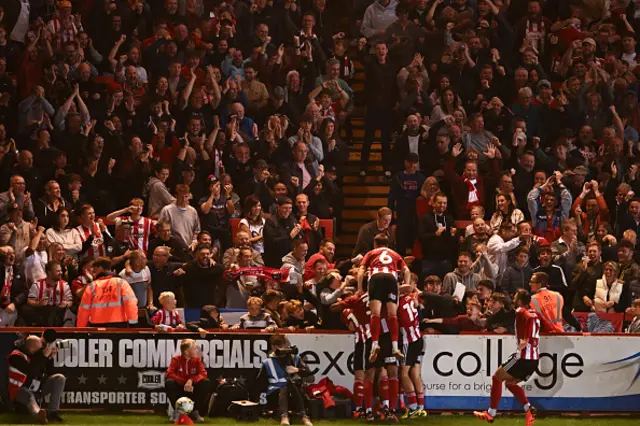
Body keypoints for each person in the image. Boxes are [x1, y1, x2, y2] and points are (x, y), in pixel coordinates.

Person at [473, 289, 553, 425]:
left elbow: (528, 317)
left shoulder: (522, 311)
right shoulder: (537, 314)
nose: (513, 298)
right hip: (533, 360)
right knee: (510, 383)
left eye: (515, 296)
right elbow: (548, 327)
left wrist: (526, 338)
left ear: (520, 300)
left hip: (522, 357)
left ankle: (491, 413)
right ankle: (529, 410)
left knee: (497, 377)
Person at [357, 233, 410, 362]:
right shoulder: (395, 254)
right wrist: (406, 285)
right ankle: (395, 347)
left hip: (376, 276)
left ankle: (375, 344)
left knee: (375, 313)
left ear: (375, 243)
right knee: (392, 314)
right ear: (388, 244)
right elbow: (407, 271)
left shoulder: (371, 253)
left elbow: (361, 270)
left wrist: (360, 288)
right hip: (391, 278)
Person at [8, 334, 66, 424]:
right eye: (39, 349)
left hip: (37, 387)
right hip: (19, 390)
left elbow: (45, 372)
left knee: (59, 378)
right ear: (31, 350)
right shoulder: (16, 356)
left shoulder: (37, 356)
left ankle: (52, 412)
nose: (41, 350)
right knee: (29, 396)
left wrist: (49, 358)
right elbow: (31, 372)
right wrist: (43, 357)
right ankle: (39, 414)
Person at [257, 334, 314, 426]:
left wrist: (297, 370)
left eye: (284, 346)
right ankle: (285, 416)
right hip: (274, 394)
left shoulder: (295, 358)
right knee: (285, 387)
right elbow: (260, 383)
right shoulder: (267, 362)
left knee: (290, 385)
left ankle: (303, 416)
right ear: (273, 347)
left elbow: (309, 374)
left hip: (293, 392)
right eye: (279, 346)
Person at [76, 257, 139, 327]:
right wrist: (133, 324)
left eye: (94, 271)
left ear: (99, 268)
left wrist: (80, 328)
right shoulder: (121, 283)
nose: (93, 274)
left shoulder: (92, 286)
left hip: (97, 327)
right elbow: (130, 303)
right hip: (119, 326)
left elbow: (84, 310)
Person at [397, 285, 427, 418]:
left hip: (408, 341)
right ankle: (421, 407)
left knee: (403, 373)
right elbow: (418, 303)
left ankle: (413, 407)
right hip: (418, 337)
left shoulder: (396, 303)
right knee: (415, 373)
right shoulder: (411, 298)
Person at [165, 338, 210, 423]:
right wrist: (183, 382)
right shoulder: (176, 359)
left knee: (205, 382)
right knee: (169, 382)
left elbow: (203, 373)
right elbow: (169, 373)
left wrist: (191, 380)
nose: (196, 350)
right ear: (186, 352)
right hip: (180, 387)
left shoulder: (197, 360)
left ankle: (194, 411)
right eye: (194, 348)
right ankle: (177, 411)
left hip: (193, 387)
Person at [22, 261, 72, 326]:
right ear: (49, 272)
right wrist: (38, 303)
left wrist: (66, 304)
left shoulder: (64, 285)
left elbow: (70, 301)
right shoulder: (37, 284)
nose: (61, 273)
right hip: (41, 312)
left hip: (58, 312)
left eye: (61, 271)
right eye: (58, 271)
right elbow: (29, 301)